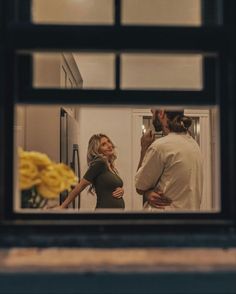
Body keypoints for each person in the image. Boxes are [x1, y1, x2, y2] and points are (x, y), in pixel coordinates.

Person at [135, 109, 203, 211]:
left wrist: (144, 148)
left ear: (161, 112)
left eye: (153, 111)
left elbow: (140, 187)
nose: (151, 112)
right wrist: (148, 192)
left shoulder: (160, 147)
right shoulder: (194, 145)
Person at [59, 133, 125, 209]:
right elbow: (80, 186)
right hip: (104, 214)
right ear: (97, 150)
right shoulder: (100, 163)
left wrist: (121, 190)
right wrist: (62, 206)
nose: (109, 145)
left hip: (114, 215)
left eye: (108, 142)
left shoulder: (109, 165)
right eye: (103, 144)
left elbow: (107, 188)